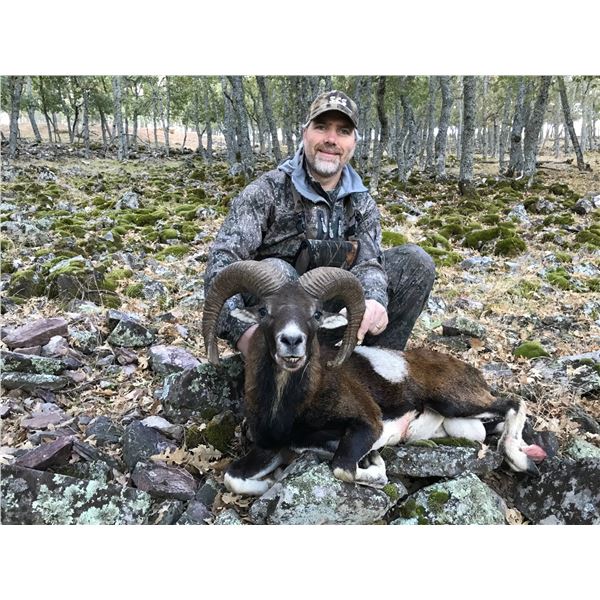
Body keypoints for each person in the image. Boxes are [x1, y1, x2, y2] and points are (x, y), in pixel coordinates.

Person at [204, 89, 435, 357]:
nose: (331, 139)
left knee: (415, 263)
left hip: (327, 316)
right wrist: (242, 333)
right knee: (276, 272)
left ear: (353, 143)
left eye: (343, 131)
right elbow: (222, 263)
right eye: (322, 127)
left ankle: (377, 370)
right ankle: (278, 371)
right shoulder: (265, 191)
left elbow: (369, 263)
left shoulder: (361, 202)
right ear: (305, 133)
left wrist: (373, 300)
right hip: (275, 325)